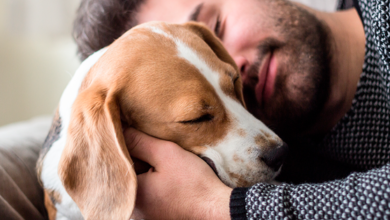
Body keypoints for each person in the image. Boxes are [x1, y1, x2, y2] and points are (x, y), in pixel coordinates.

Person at [72, 0, 390, 219]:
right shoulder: (271, 160)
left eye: (215, 26)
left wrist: (221, 208)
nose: (228, 62)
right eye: (195, 114)